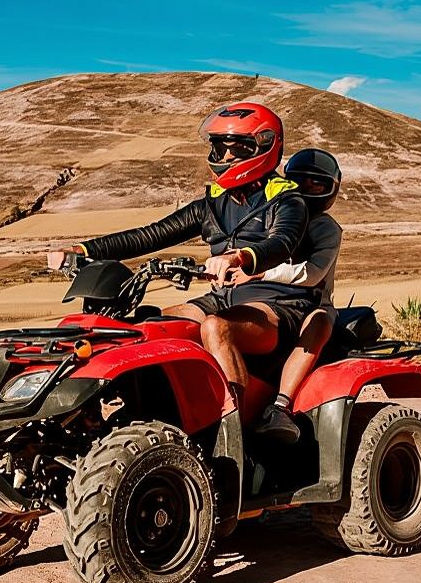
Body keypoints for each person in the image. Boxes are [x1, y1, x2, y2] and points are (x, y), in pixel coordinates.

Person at [48, 102, 313, 412]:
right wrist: (84, 250)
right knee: (152, 327)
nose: (226, 157)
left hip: (277, 304)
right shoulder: (212, 203)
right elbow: (150, 235)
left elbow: (282, 242)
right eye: (220, 148)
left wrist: (238, 257)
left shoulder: (287, 200)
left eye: (237, 148)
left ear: (264, 147)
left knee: (216, 328)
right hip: (224, 298)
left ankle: (231, 426)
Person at [235, 148, 343, 444]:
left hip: (313, 302)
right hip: (270, 300)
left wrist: (260, 273)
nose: (306, 188)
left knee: (318, 323)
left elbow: (313, 274)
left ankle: (280, 406)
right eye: (298, 181)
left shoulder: (327, 228)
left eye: (316, 184)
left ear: (330, 189)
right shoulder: (274, 216)